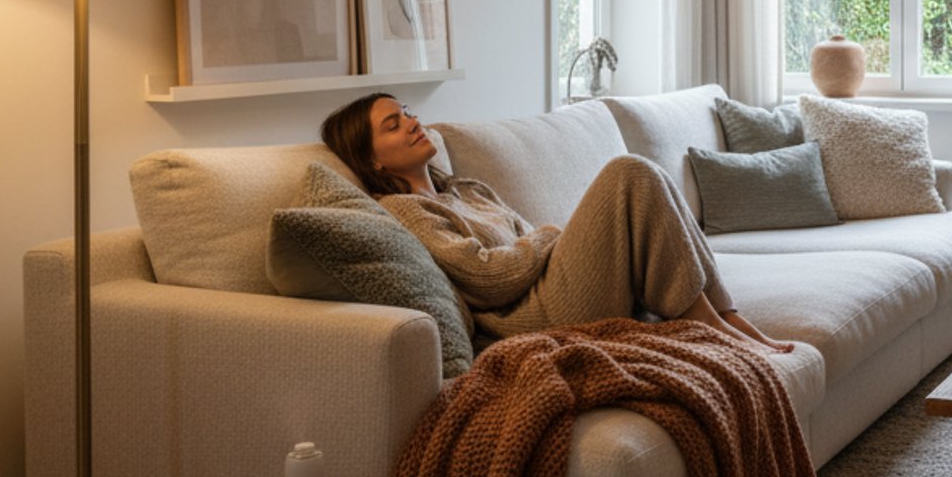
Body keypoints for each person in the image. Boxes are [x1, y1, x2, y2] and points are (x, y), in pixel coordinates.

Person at [319, 94, 791, 355]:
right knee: (628, 172)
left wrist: (544, 240)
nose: (411, 122)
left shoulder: (466, 190)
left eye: (406, 113)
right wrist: (551, 238)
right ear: (372, 160)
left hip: (549, 287)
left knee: (650, 178)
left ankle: (726, 317)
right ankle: (711, 328)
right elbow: (486, 277)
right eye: (392, 125)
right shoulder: (407, 211)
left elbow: (526, 239)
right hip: (532, 316)